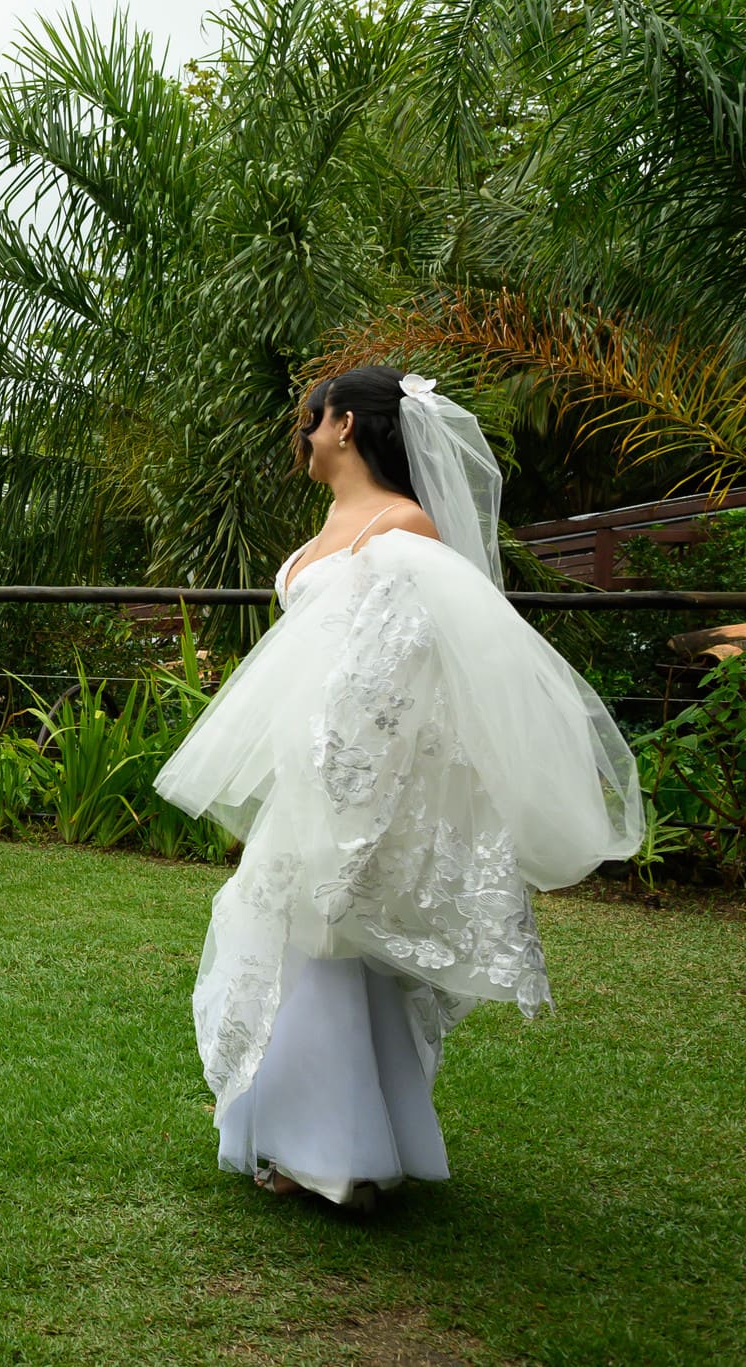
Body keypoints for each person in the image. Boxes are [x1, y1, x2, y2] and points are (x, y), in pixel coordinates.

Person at [155, 365, 642, 1208]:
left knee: (331, 939)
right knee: (292, 938)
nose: (303, 437)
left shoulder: (406, 523)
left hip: (356, 767)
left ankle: (332, 1154)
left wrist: (353, 765)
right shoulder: (328, 523)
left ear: (345, 424)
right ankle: (309, 1136)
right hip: (304, 764)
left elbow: (424, 654)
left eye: (311, 421)